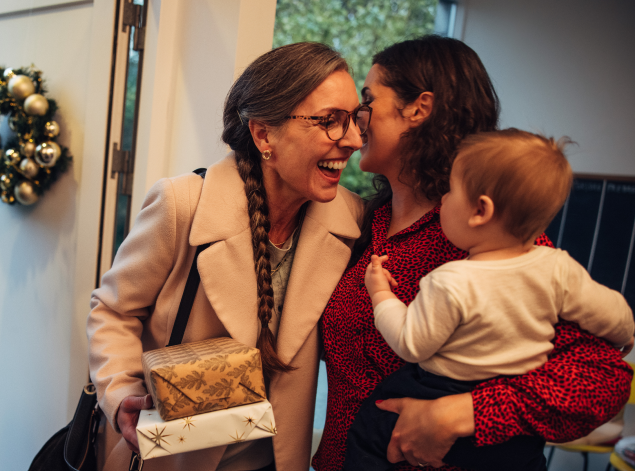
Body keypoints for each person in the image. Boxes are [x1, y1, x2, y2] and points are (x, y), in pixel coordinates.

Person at [313, 35, 635, 470]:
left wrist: (462, 412)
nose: (357, 120)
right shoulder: (363, 224)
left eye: (368, 101)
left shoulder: (489, 243)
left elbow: (601, 381)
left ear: (419, 109)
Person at [87, 42, 367, 470]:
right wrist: (121, 392)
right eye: (330, 121)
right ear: (263, 134)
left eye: (354, 120)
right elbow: (112, 310)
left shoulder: (351, 219)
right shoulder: (182, 204)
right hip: (172, 454)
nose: (353, 140)